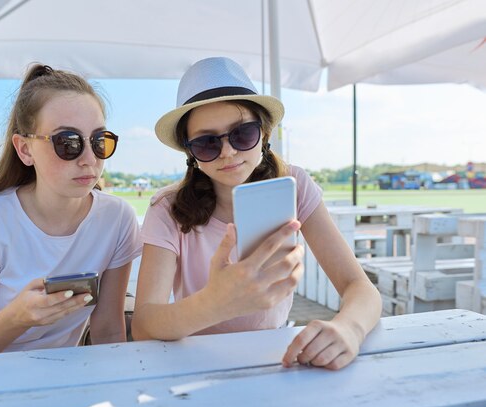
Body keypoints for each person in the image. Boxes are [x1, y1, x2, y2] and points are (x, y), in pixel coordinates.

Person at [131, 57, 381, 370]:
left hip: (275, 357)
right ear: (190, 153)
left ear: (264, 134)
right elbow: (143, 324)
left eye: (242, 134)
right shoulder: (167, 208)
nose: (228, 152)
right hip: (192, 359)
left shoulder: (294, 185)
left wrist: (349, 329)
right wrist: (214, 304)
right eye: (207, 143)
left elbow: (360, 288)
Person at [0, 64, 141, 358]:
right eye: (68, 142)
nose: (89, 159)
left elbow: (109, 329)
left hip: (48, 374)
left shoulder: (117, 218)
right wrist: (18, 318)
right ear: (24, 149)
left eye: (99, 141)